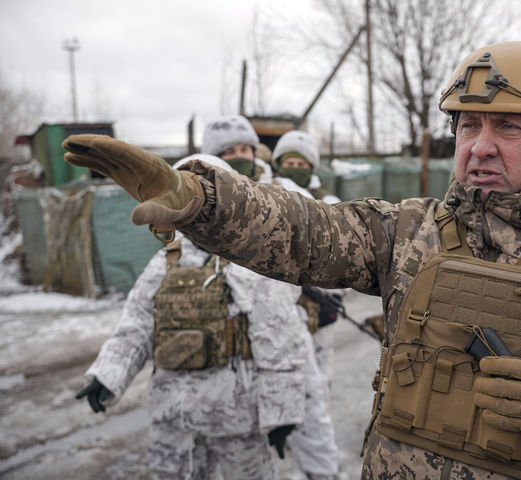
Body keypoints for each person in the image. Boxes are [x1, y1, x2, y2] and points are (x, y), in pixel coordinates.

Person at [64, 41, 521, 480]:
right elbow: (300, 230)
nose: (479, 147)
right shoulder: (411, 231)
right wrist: (198, 199)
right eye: (468, 126)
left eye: (509, 128)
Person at [76, 154, 309, 480]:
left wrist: (282, 413)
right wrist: (107, 375)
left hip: (234, 417)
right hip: (173, 415)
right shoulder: (168, 258)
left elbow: (280, 338)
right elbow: (138, 324)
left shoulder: (248, 261)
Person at [202, 117, 341, 479]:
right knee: (241, 428)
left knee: (310, 409)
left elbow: (318, 242)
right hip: (230, 328)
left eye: (245, 149)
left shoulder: (281, 192)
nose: (240, 157)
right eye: (229, 152)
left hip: (286, 323)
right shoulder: (204, 195)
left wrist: (314, 288)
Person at [271, 130, 343, 479]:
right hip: (280, 311)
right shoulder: (269, 194)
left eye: (302, 163)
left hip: (319, 313)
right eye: (290, 162)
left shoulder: (327, 203)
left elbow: (341, 260)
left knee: (316, 388)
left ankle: (316, 466)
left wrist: (333, 302)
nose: (295, 167)